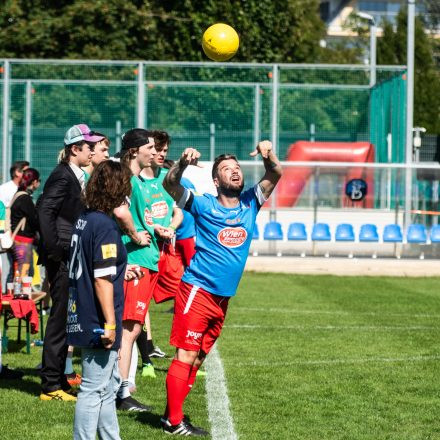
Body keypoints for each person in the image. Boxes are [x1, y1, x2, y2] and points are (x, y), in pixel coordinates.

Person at [161, 141, 282, 435]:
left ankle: (171, 416)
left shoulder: (251, 202)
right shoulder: (202, 203)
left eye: (237, 168)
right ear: (217, 180)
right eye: (227, 169)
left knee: (199, 356)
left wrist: (268, 153)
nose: (235, 172)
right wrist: (182, 163)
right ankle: (174, 423)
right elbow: (170, 184)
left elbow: (276, 173)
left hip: (222, 298)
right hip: (197, 291)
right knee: (186, 355)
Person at [67, 160, 138, 440]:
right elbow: (101, 279)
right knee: (93, 388)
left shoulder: (86, 218)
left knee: (108, 386)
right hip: (98, 318)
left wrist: (122, 270)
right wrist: (110, 323)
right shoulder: (105, 225)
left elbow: (96, 265)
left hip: (84, 310)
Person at [38, 124, 104, 401]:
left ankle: (60, 381)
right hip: (62, 256)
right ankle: (50, 386)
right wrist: (56, 252)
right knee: (59, 319)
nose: (91, 150)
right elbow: (44, 210)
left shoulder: (74, 175)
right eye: (88, 146)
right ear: (75, 149)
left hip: (69, 254)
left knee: (67, 319)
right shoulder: (63, 175)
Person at [113, 128, 163, 411]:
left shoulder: (140, 180)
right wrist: (134, 235)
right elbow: (120, 212)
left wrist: (155, 230)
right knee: (128, 329)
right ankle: (120, 394)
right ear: (134, 150)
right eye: (150, 147)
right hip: (136, 261)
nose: (154, 152)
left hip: (146, 259)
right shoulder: (126, 179)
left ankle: (121, 389)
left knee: (131, 328)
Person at [135, 131, 183, 380]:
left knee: (183, 302)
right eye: (157, 150)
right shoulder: (135, 181)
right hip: (144, 251)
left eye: (164, 150)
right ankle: (146, 360)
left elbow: (178, 212)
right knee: (140, 309)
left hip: (168, 251)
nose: (161, 154)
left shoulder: (166, 179)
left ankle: (182, 358)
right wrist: (154, 228)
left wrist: (171, 228)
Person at [10, 168, 40, 278]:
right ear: (34, 182)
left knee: (18, 271)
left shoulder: (18, 195)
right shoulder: (25, 199)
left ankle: (17, 292)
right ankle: (20, 294)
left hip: (16, 239)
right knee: (24, 272)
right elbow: (34, 220)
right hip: (23, 241)